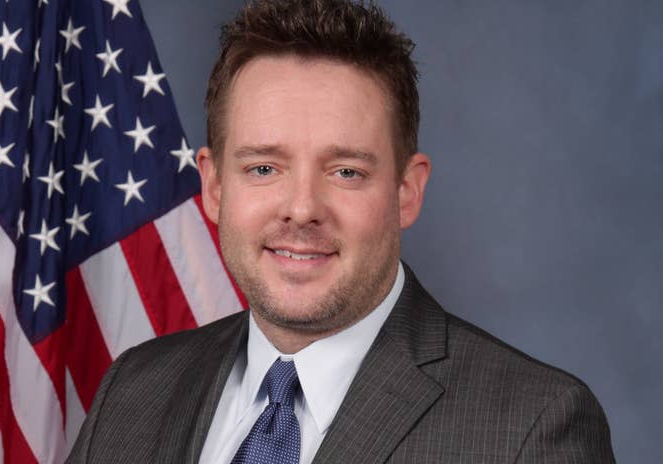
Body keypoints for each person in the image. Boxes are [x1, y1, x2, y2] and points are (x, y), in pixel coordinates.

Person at [67, 1, 615, 462]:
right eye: (264, 168)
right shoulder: (131, 394)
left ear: (407, 191)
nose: (302, 209)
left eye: (346, 172)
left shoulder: (532, 427)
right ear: (213, 187)